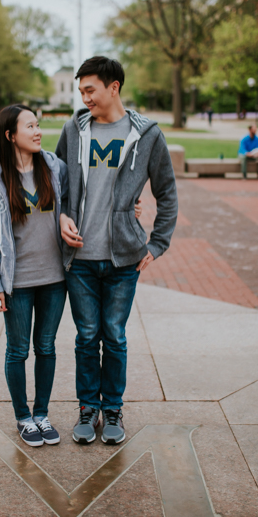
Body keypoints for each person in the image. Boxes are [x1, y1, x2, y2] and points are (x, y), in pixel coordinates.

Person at [56, 56, 177, 446]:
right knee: (87, 336)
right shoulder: (74, 131)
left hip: (124, 258)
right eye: (81, 91)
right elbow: (54, 182)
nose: (84, 98)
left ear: (114, 87)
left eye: (90, 90)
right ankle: (87, 408)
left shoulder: (148, 136)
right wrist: (61, 215)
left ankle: (113, 410)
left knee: (115, 336)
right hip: (80, 260)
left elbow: (167, 193)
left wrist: (157, 243)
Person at [0, 105, 68, 447]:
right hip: (16, 282)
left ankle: (42, 413)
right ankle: (23, 417)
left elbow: (79, 202)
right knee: (17, 350)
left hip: (54, 280)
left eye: (38, 125)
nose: (37, 131)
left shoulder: (53, 167)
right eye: (29, 126)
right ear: (10, 135)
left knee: (46, 347)